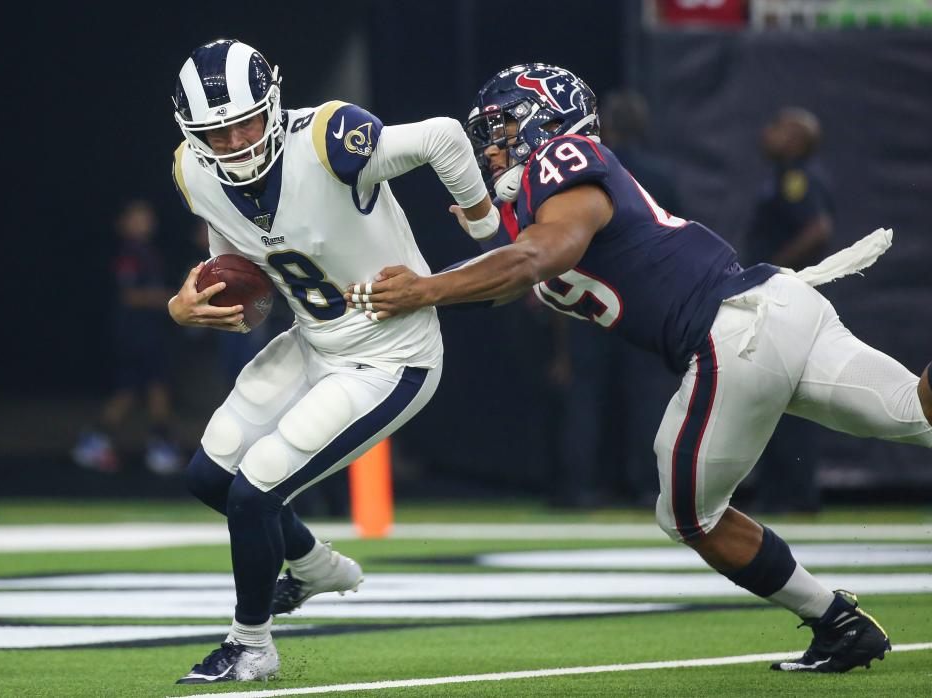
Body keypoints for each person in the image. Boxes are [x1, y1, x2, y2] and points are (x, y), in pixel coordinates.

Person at [348, 63, 930, 673]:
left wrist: (429, 288)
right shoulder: (541, 206)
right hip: (777, 307)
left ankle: (837, 624)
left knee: (685, 514)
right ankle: (839, 627)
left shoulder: (564, 159)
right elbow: (517, 270)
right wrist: (463, 261)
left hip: (731, 333)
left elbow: (539, 257)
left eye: (503, 127)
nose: (491, 148)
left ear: (547, 120)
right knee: (916, 410)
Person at [166, 40, 496, 684]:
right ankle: (315, 566)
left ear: (274, 103)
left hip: (389, 357)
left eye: (245, 121)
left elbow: (444, 137)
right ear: (190, 132)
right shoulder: (192, 169)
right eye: (215, 130)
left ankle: (252, 646)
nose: (233, 141)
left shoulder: (330, 139)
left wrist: (491, 237)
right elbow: (241, 277)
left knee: (255, 488)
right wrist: (192, 303)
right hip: (312, 340)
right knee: (209, 478)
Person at [748, 107, 835, 513]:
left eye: (778, 126)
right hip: (781, 299)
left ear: (798, 137)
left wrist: (776, 268)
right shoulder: (783, 177)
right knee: (777, 396)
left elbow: (818, 227)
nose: (768, 132)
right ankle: (781, 492)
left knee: (787, 396)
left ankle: (794, 494)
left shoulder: (797, 177)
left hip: (785, 300)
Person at [72, 200, 184, 475]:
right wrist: (170, 298)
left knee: (148, 388)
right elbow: (129, 294)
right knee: (139, 389)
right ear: (123, 223)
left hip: (149, 331)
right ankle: (150, 446)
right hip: (135, 332)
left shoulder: (149, 252)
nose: (145, 221)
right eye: (137, 217)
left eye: (147, 216)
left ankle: (152, 445)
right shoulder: (129, 253)